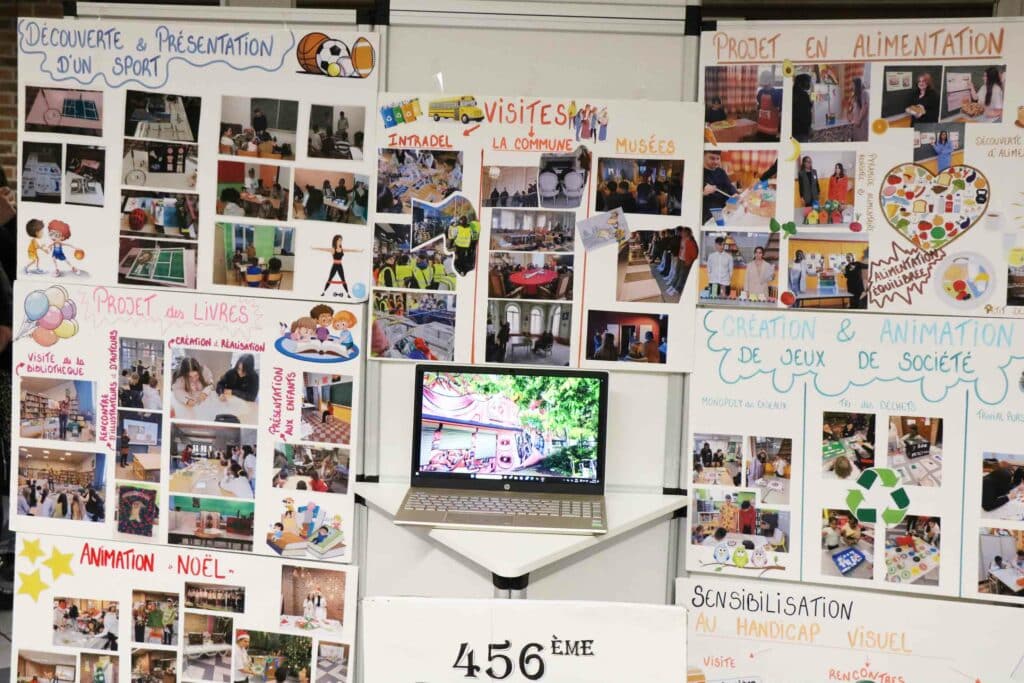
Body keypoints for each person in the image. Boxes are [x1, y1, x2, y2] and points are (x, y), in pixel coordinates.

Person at [701, 151, 736, 224]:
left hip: (725, 207)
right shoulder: (698, 173)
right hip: (710, 212)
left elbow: (729, 186)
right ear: (703, 156)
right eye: (712, 158)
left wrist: (735, 194)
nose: (716, 162)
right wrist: (703, 193)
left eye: (718, 159)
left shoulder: (721, 171)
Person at [755, 70, 782, 139]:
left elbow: (759, 105)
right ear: (771, 81)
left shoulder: (761, 92)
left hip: (767, 126)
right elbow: (779, 110)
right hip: (764, 125)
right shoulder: (776, 93)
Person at [791, 73, 813, 142]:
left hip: (793, 129)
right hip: (801, 130)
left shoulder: (792, 91)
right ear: (804, 82)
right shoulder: (803, 95)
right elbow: (807, 114)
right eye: (808, 82)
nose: (809, 84)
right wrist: (809, 128)